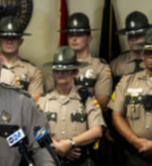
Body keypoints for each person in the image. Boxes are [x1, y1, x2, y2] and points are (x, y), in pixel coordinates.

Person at [39, 46, 105, 166]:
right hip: (51, 161)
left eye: (65, 70)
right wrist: (56, 147)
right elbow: (36, 131)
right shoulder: (43, 100)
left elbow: (97, 131)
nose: (61, 74)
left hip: (80, 161)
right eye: (57, 70)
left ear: (75, 72)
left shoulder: (87, 99)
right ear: (53, 72)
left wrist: (70, 143)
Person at [45, 13, 112, 111]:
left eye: (79, 35)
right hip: (59, 116)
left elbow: (103, 102)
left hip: (89, 118)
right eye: (71, 34)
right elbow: (49, 97)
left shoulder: (100, 66)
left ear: (89, 39)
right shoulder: (57, 66)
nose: (74, 38)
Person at [108, 28, 152, 166]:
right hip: (136, 155)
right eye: (147, 52)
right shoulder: (127, 81)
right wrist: (134, 141)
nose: (150, 56)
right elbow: (117, 115)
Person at [0, 16, 44, 101]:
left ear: (20, 41)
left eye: (13, 37)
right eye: (5, 37)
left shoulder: (31, 71)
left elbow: (34, 102)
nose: (9, 41)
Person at [110, 11, 149, 85]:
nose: (134, 39)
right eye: (130, 36)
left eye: (138, 35)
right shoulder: (116, 64)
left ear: (147, 35)